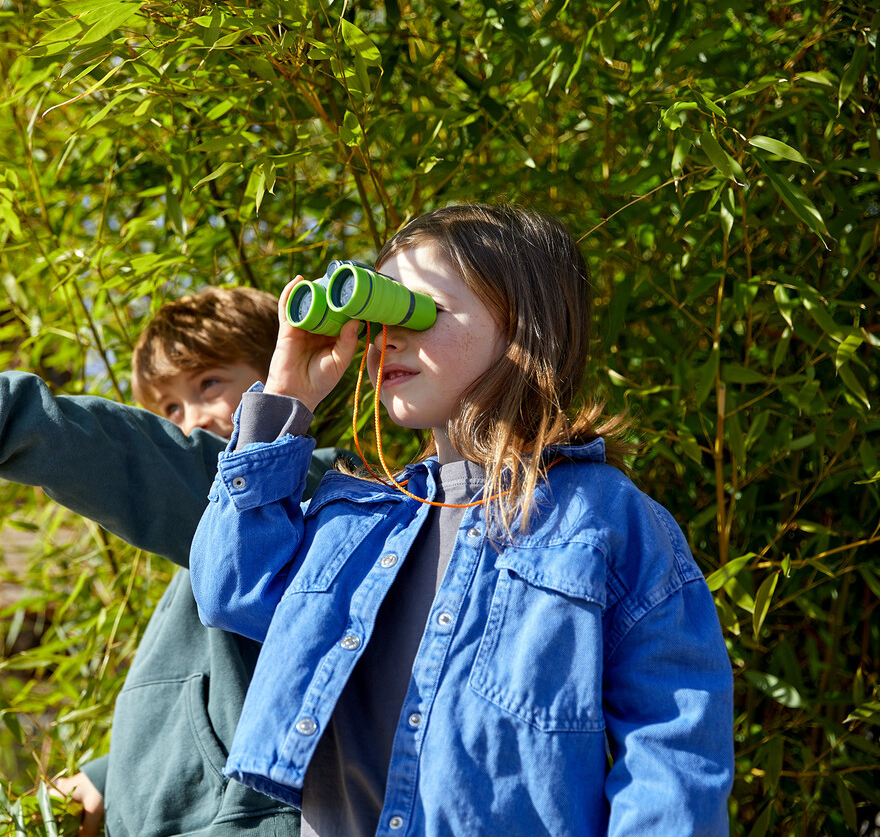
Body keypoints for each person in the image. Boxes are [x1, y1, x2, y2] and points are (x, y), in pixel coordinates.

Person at [189, 204, 735, 835]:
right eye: (379, 313)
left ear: (524, 327)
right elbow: (232, 591)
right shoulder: (358, 520)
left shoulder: (605, 521)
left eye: (419, 310)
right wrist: (285, 396)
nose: (386, 337)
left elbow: (672, 758)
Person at [0, 286, 352, 837]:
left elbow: (133, 459)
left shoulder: (303, 501)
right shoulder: (204, 545)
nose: (193, 419)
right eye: (168, 408)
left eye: (210, 384)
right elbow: (224, 710)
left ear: (289, 373)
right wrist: (110, 778)